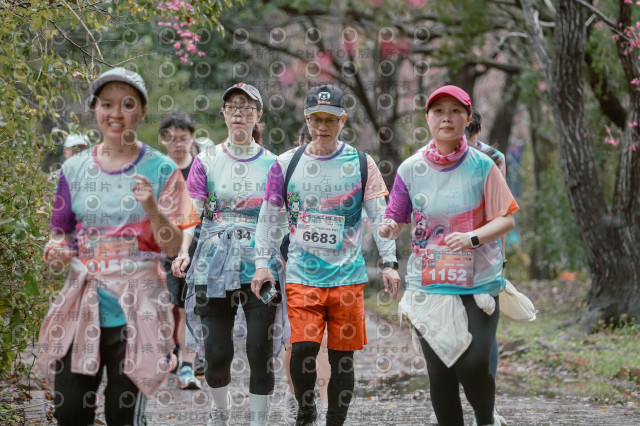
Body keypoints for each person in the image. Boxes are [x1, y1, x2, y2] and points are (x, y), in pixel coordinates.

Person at [37, 67, 200, 425]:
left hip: (138, 311)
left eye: (127, 104)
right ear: (95, 109)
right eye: (107, 104)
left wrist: (152, 207)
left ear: (142, 112)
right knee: (69, 412)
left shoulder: (162, 169)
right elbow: (60, 233)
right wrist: (56, 249)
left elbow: (174, 247)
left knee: (122, 415)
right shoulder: (74, 169)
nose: (116, 113)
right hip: (83, 307)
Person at [253, 84, 401, 426]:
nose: (322, 127)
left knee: (342, 359)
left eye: (330, 120)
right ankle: (306, 412)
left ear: (342, 120)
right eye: (316, 119)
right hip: (302, 276)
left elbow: (380, 216)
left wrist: (389, 263)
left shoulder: (362, 164)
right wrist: (262, 264)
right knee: (303, 349)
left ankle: (335, 420)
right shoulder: (285, 164)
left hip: (347, 278)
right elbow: (267, 218)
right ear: (307, 120)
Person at [379, 85, 519, 426]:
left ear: (467, 119)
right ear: (427, 118)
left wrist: (472, 238)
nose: (447, 118)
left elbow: (506, 219)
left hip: (479, 282)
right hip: (429, 285)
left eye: (456, 111)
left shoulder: (483, 165)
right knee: (441, 375)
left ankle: (485, 419)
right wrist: (389, 228)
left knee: (473, 365)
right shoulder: (411, 168)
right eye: (439, 111)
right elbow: (395, 218)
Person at [171, 83, 286, 426]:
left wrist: (279, 257)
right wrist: (183, 251)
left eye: (247, 107)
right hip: (213, 265)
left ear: (258, 115)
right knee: (218, 353)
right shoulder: (206, 161)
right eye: (233, 107)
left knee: (259, 350)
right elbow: (193, 210)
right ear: (223, 113)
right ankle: (220, 413)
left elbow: (279, 217)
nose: (239, 113)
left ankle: (259, 422)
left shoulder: (274, 164)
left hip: (260, 266)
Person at [280, 123, 331, 424]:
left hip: (329, 266)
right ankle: (296, 394)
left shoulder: (335, 174)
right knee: (296, 338)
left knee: (320, 340)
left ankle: (320, 401)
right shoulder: (285, 170)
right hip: (291, 259)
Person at [158, 112, 202, 390]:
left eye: (183, 138)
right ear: (163, 139)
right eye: (171, 139)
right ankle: (168, 354)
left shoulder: (201, 169)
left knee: (190, 309)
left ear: (192, 138)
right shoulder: (157, 170)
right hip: (161, 249)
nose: (177, 144)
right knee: (165, 306)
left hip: (196, 248)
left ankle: (187, 366)